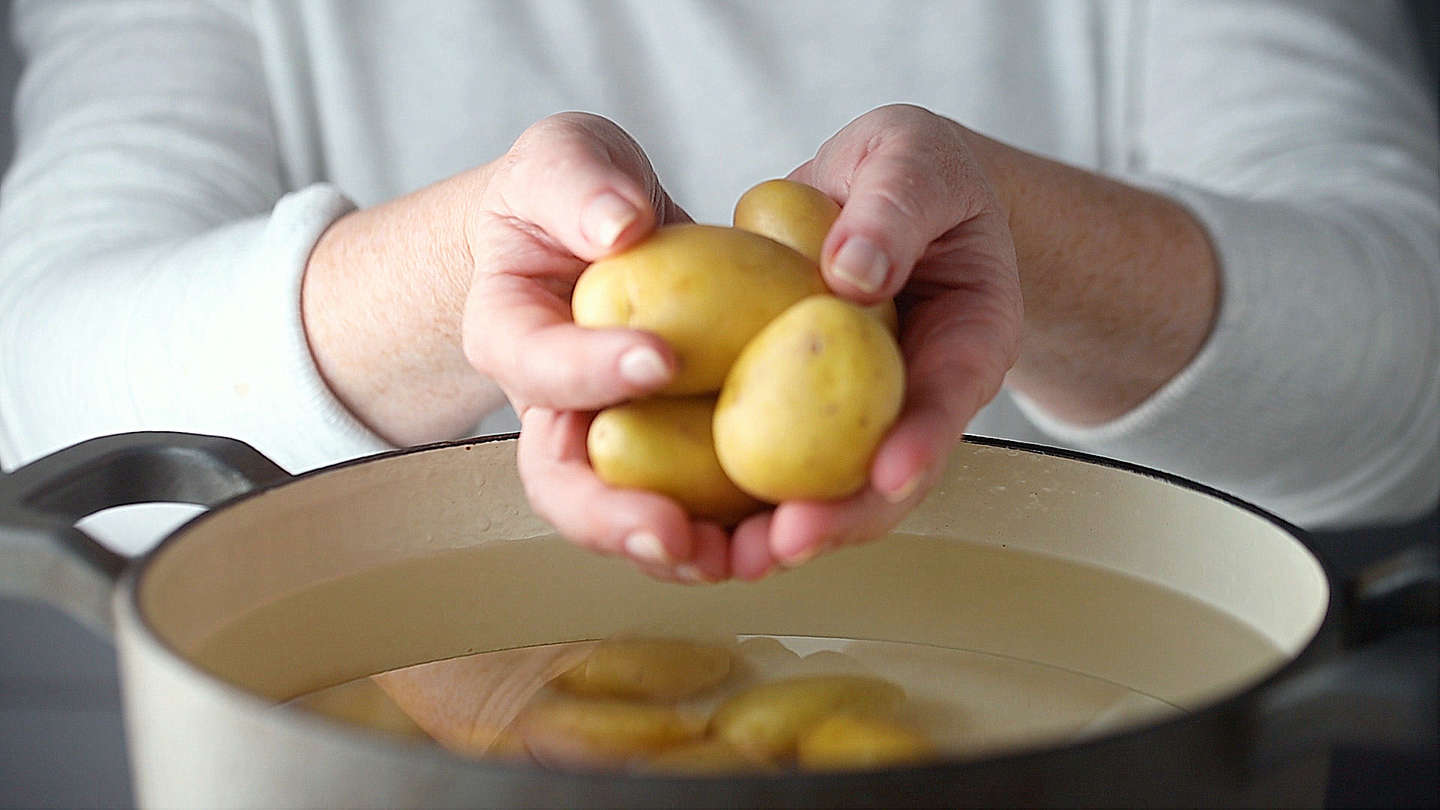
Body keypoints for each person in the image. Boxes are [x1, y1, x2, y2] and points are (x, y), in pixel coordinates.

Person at [0, 1, 1435, 584]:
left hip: (1073, 738)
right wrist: (474, 267)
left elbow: (1413, 369)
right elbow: (42, 402)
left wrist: (1016, 239)